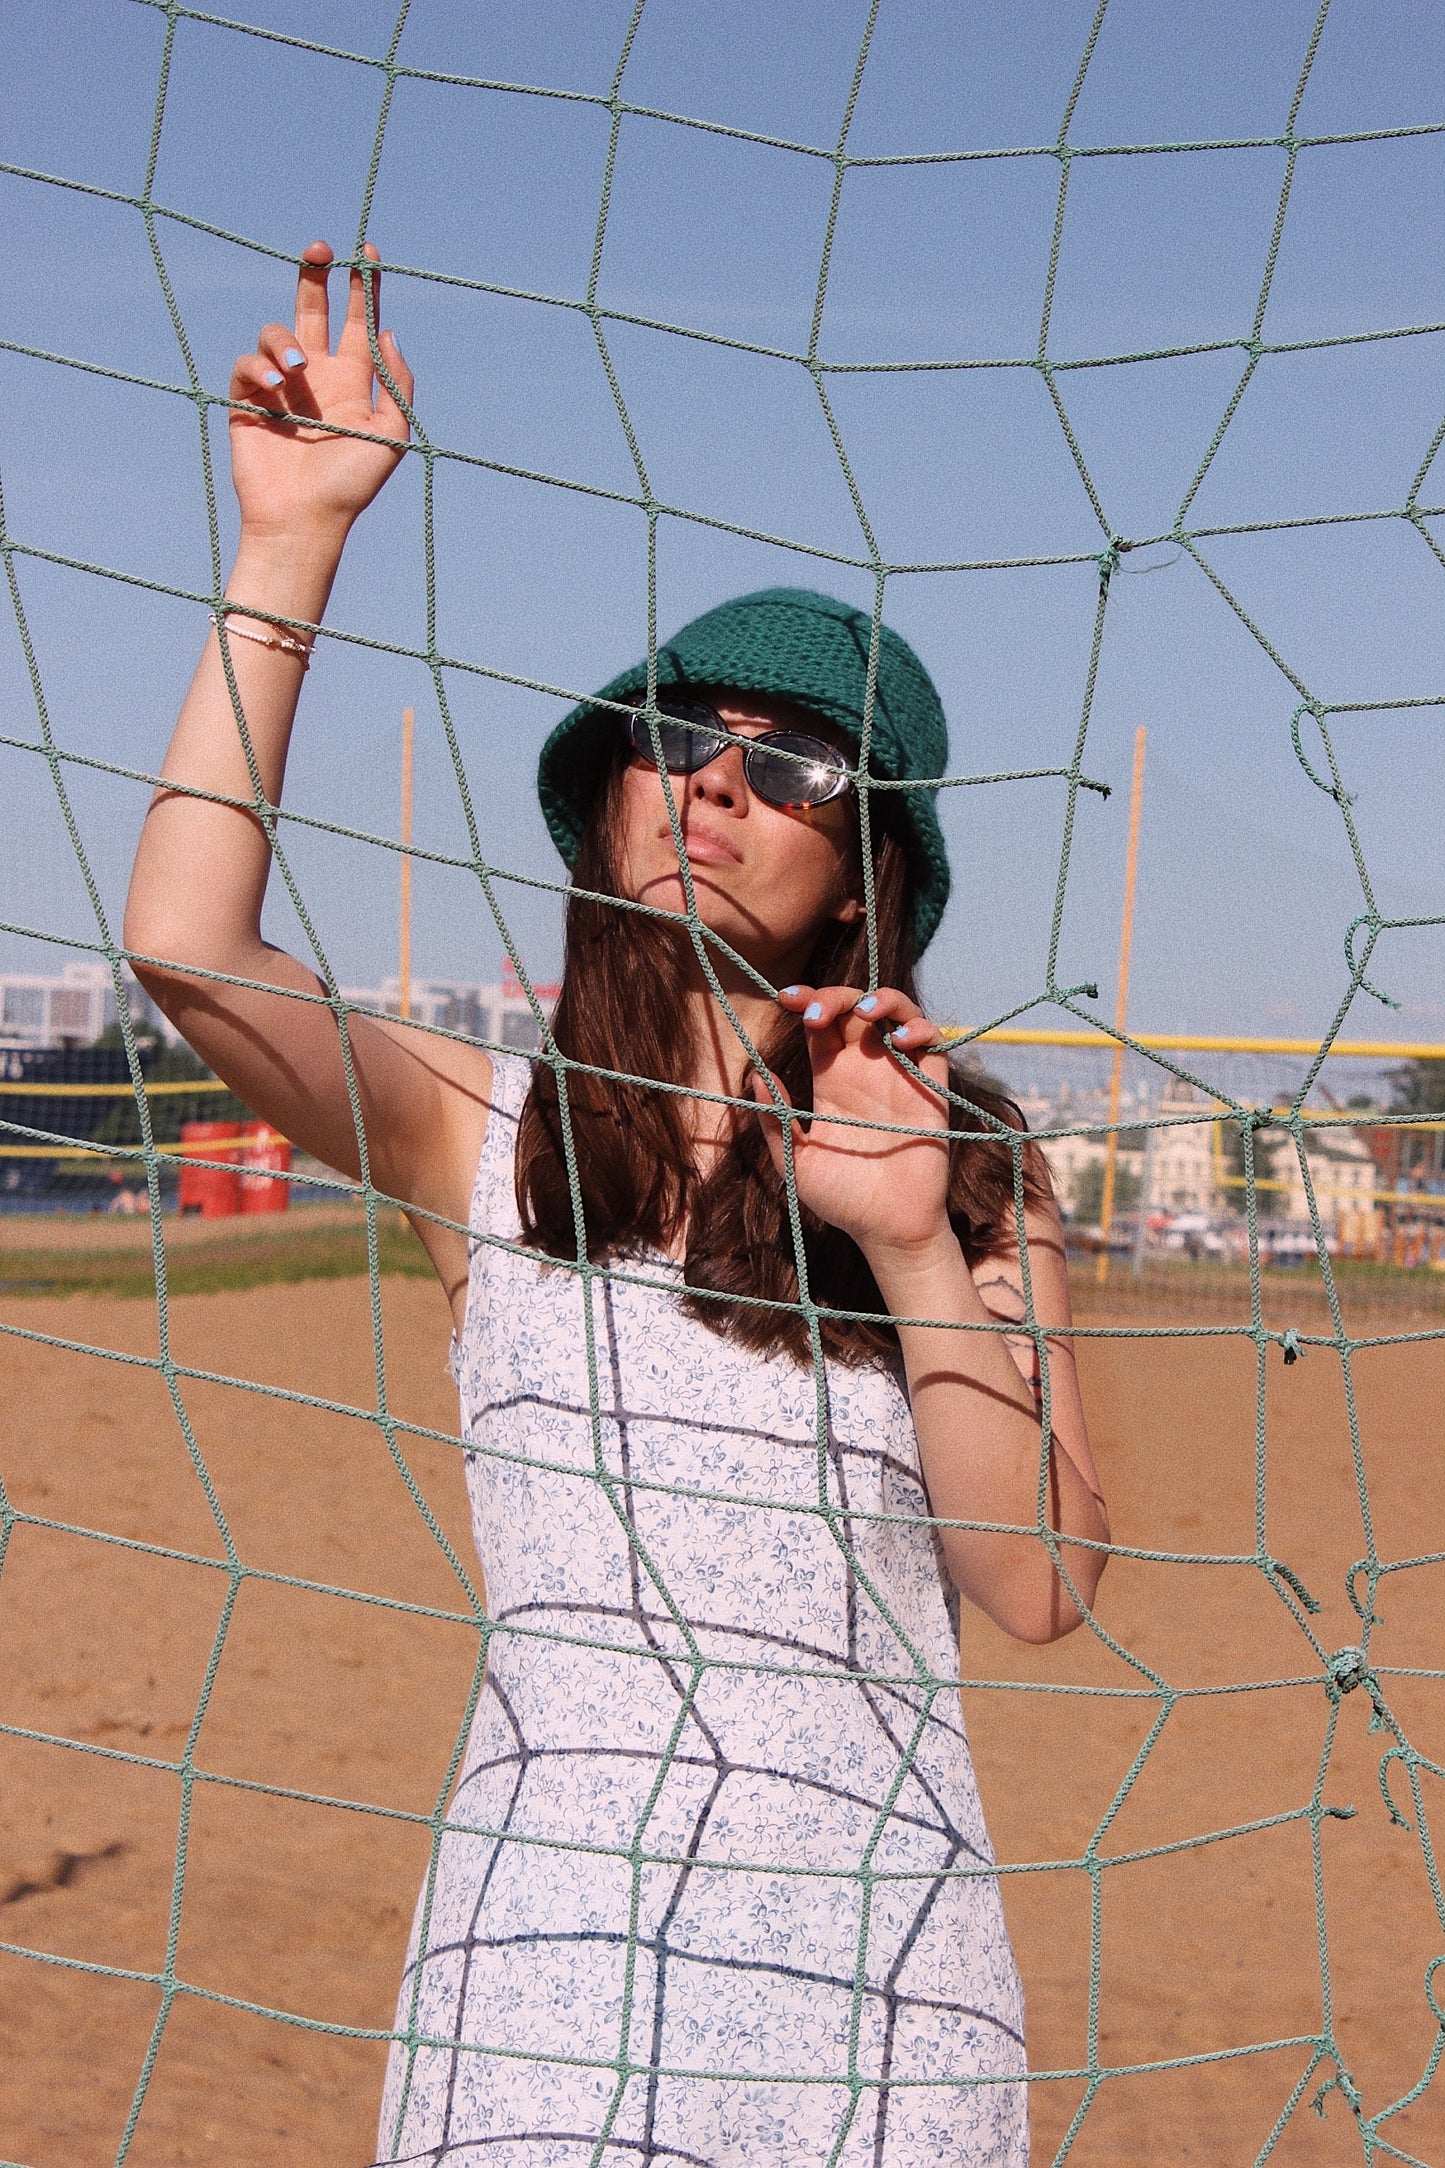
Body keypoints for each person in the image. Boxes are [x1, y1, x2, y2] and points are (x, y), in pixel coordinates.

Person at [126, 243, 1109, 2168]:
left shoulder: (968, 1156)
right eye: (676, 738)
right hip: (542, 1985)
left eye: (792, 761)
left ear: (865, 872)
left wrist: (913, 1244)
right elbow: (184, 943)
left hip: (878, 2004)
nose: (717, 780)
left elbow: (1040, 1591)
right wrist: (293, 541)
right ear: (608, 805)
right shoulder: (479, 1132)